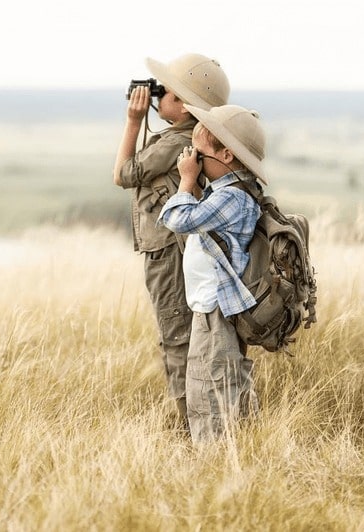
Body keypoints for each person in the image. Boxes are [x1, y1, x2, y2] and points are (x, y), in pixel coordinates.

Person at [113, 54, 230, 430]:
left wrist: (133, 120)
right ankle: (198, 419)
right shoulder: (186, 136)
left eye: (165, 92)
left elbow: (124, 174)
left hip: (167, 252)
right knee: (184, 335)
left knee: (176, 336)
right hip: (175, 249)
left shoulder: (176, 140)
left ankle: (188, 426)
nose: (156, 96)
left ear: (181, 104)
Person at [158, 104, 267, 443]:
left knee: (208, 391)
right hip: (215, 306)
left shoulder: (232, 198)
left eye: (200, 156)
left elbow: (176, 219)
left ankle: (213, 460)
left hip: (215, 309)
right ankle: (245, 445)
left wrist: (187, 180)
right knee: (226, 382)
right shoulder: (226, 193)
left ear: (227, 155)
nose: (194, 162)